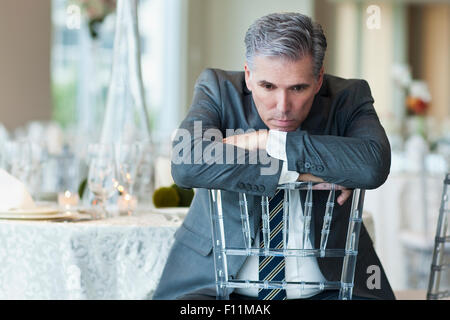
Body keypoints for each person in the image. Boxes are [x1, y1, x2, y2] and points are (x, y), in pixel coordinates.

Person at [154, 12, 395, 300]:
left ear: (318, 80)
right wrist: (315, 169)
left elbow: (372, 165)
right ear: (248, 75)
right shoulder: (218, 89)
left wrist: (267, 141)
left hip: (333, 289)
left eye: (298, 88)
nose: (282, 107)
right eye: (268, 86)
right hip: (215, 289)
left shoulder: (349, 97)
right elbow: (186, 162)